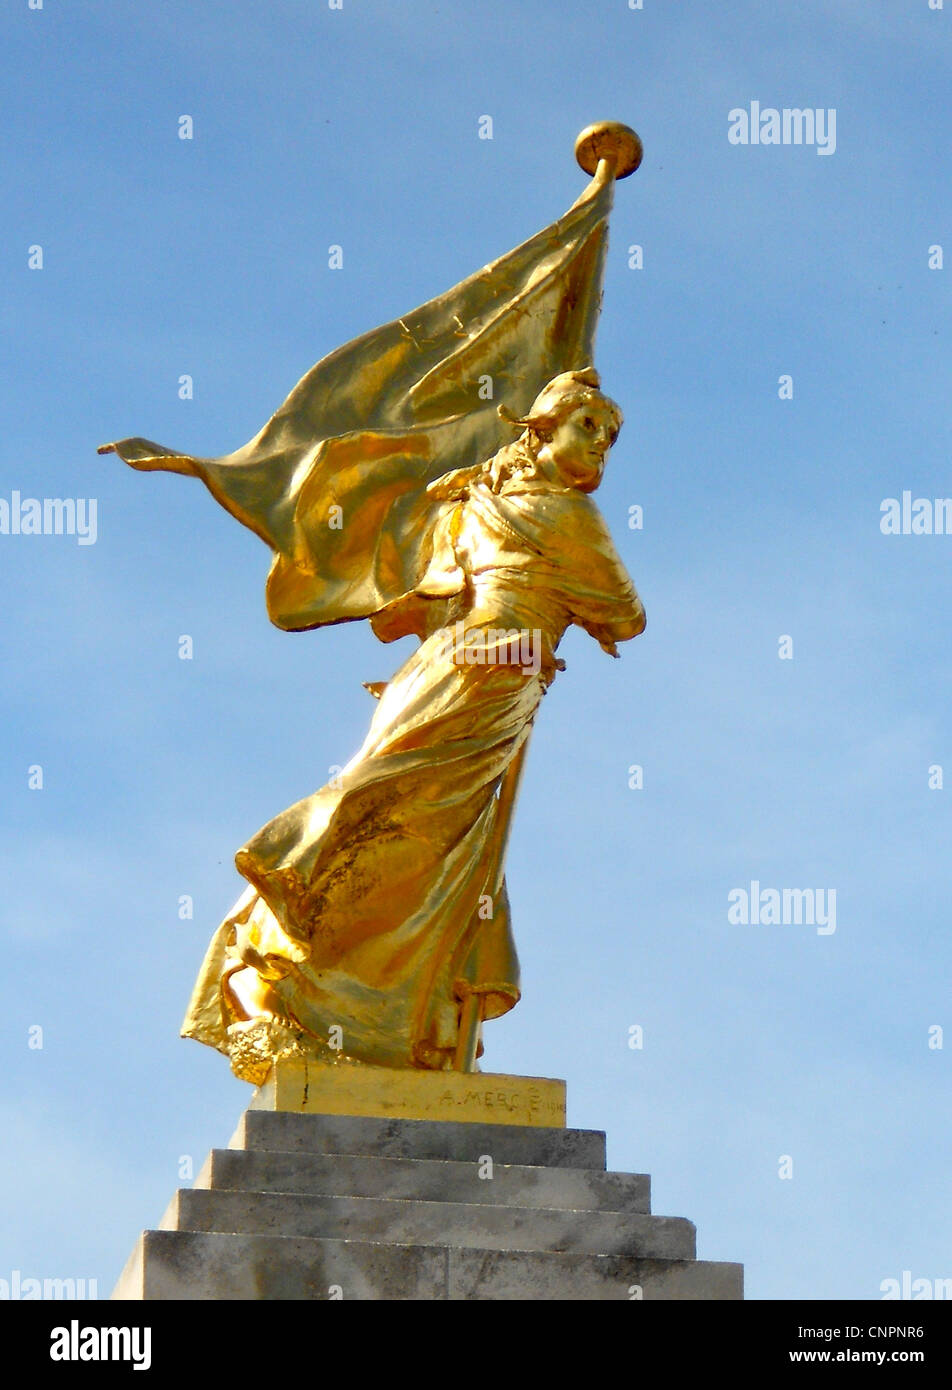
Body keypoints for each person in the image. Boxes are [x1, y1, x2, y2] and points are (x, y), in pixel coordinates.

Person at [180, 368, 645, 1082]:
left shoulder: (471, 507)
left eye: (611, 438)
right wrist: (536, 625)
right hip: (492, 673)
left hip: (446, 666)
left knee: (419, 834)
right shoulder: (568, 518)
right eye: (589, 426)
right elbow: (626, 614)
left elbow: (437, 605)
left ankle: (336, 1005)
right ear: (542, 427)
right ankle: (295, 955)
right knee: (422, 832)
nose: (602, 446)